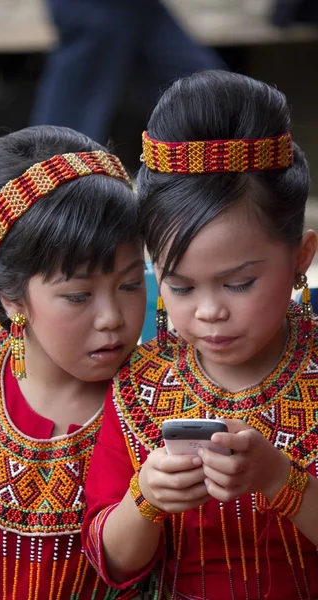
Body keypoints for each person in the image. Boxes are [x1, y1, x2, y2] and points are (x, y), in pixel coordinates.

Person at [82, 71, 318, 599]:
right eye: (180, 287)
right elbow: (110, 564)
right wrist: (144, 498)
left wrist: (282, 479)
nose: (210, 312)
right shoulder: (140, 385)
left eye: (239, 283)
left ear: (301, 258)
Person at [0, 125, 146, 599]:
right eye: (78, 295)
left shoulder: (167, 393)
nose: (112, 319)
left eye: (130, 285)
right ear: (11, 296)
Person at [31, 0, 226, 145]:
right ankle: (47, 189)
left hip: (135, 7)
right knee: (68, 129)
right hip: (93, 8)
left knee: (217, 98)